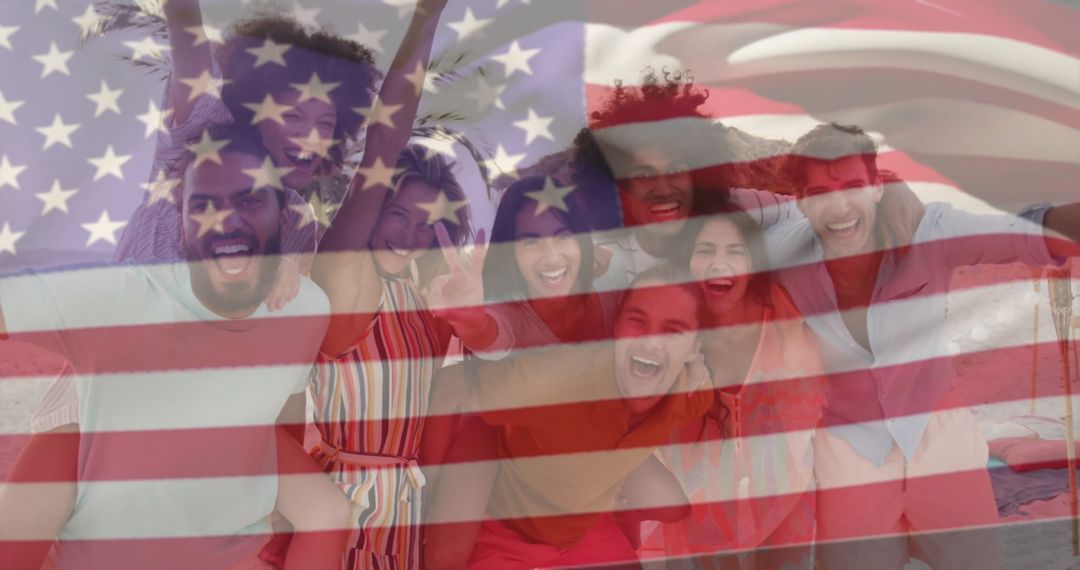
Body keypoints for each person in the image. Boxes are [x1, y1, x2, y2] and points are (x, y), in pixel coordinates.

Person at [0, 132, 353, 570]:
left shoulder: (306, 309)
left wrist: (273, 510)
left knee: (330, 512)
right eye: (203, 206)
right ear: (181, 224)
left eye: (249, 201)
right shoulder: (121, 298)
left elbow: (285, 403)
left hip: (221, 529)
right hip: (99, 525)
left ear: (283, 218)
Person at [766, 123, 1080, 569]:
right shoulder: (781, 253)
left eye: (853, 186)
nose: (838, 206)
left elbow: (1023, 232)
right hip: (847, 452)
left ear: (875, 187)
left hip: (941, 439)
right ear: (800, 200)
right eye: (819, 192)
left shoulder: (927, 231)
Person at [116, 0, 381, 310]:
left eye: (325, 124)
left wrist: (285, 268)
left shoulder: (298, 220)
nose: (312, 138)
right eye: (292, 117)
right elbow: (184, 21)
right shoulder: (200, 136)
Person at [461, 265, 713, 569]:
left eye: (673, 331)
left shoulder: (689, 392)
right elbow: (468, 392)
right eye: (637, 321)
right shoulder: (553, 382)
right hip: (508, 533)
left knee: (675, 511)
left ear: (693, 349)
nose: (651, 342)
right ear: (617, 327)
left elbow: (700, 396)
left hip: (584, 532)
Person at [648, 199, 824, 569]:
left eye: (735, 251)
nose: (719, 263)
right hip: (698, 518)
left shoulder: (784, 320)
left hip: (785, 503)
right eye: (705, 250)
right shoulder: (664, 332)